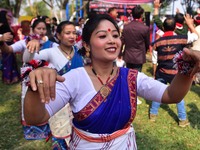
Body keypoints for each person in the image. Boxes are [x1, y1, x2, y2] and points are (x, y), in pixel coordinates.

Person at [23, 14, 200, 149]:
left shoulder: (131, 77)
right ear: (86, 45)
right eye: (102, 36)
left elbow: (171, 94)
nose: (112, 41)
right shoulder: (74, 78)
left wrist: (188, 68)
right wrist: (35, 86)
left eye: (115, 35)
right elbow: (36, 117)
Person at [23, 21, 84, 149]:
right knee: (61, 136)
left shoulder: (80, 51)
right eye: (67, 33)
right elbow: (27, 59)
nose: (72, 36)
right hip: (59, 102)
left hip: (78, 101)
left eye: (74, 33)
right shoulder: (51, 51)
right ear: (59, 35)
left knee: (79, 135)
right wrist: (31, 47)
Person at [149, 12, 198, 127]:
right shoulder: (181, 39)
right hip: (175, 73)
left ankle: (153, 115)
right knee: (178, 96)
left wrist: (155, 73)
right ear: (175, 27)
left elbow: (154, 61)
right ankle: (182, 119)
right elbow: (196, 36)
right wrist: (190, 25)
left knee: (157, 92)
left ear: (164, 28)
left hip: (161, 72)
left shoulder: (157, 43)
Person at [121, 5, 150, 105]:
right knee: (136, 77)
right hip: (139, 55)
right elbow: (147, 43)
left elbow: (122, 41)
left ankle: (129, 95)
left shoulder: (126, 27)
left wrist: (120, 53)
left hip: (128, 54)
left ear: (132, 15)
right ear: (141, 15)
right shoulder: (145, 28)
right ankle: (134, 97)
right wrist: (144, 51)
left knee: (129, 76)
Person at [0, 9, 20, 84]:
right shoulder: (1, 24)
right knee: (7, 62)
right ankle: (8, 79)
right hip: (4, 45)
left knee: (12, 62)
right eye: (7, 15)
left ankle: (14, 78)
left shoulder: (8, 24)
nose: (9, 17)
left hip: (11, 45)